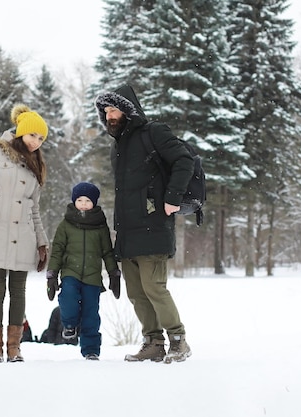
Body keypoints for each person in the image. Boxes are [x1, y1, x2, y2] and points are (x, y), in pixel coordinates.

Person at [94, 84, 194, 363]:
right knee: (137, 293)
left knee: (154, 287)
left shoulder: (154, 132)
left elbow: (184, 161)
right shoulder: (118, 147)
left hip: (153, 226)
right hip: (127, 232)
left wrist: (172, 197)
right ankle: (153, 343)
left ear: (128, 109)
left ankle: (178, 340)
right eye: (106, 111)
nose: (109, 115)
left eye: (114, 109)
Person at [0, 103, 50, 363]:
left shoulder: (36, 164)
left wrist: (41, 241)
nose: (36, 142)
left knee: (19, 291)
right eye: (32, 135)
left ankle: (14, 348)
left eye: (41, 138)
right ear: (20, 131)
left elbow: (34, 208)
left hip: (23, 236)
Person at [45, 181, 121, 360]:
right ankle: (69, 325)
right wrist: (52, 275)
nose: (84, 204)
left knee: (91, 314)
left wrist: (114, 274)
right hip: (70, 272)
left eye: (88, 200)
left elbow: (107, 252)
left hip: (93, 277)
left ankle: (91, 349)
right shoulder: (66, 224)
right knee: (68, 296)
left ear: (94, 203)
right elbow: (57, 251)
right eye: (80, 200)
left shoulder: (100, 226)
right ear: (74, 201)